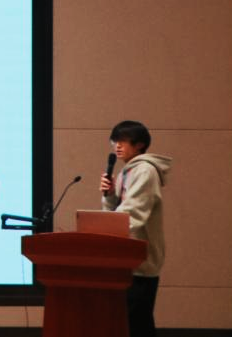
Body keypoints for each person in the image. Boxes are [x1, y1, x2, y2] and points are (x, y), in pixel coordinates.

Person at [99, 120, 173, 337]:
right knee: (131, 322)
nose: (117, 146)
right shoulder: (127, 171)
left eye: (123, 141)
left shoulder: (145, 171)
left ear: (140, 144)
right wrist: (109, 195)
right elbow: (116, 211)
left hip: (139, 260)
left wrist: (105, 233)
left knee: (137, 323)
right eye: (115, 141)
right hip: (126, 258)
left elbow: (133, 215)